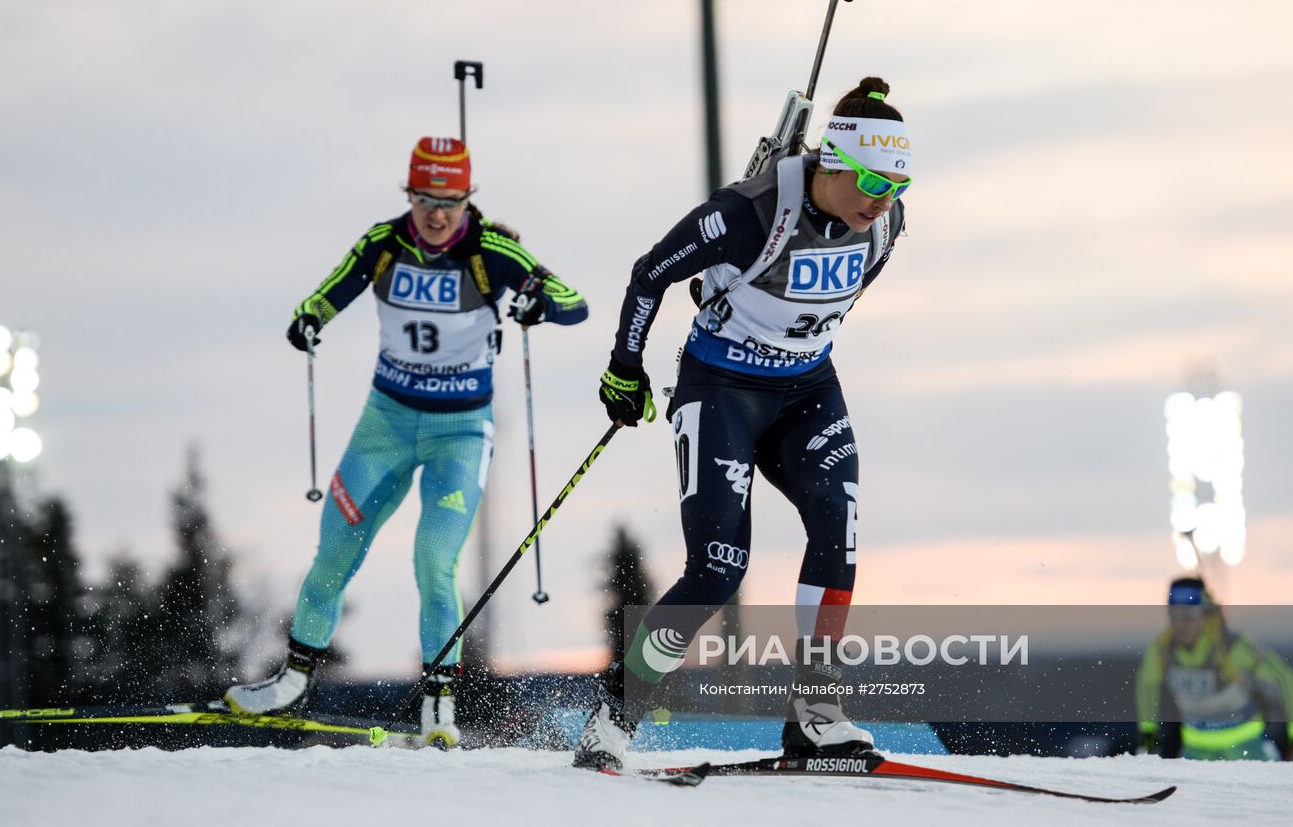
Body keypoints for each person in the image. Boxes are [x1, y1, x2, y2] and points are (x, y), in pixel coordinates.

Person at [573, 77, 911, 769]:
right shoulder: (749, 211)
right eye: (873, 180)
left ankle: (816, 715)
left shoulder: (886, 223)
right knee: (718, 569)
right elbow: (649, 274)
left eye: (899, 184)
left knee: (837, 529)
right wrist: (624, 369)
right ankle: (617, 713)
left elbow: (837, 294)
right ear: (832, 162)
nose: (882, 199)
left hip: (807, 388)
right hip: (723, 389)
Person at [226, 137, 588, 748]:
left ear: (467, 200)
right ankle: (290, 681)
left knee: (433, 562)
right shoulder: (383, 244)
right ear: (409, 195)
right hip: (385, 423)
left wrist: (535, 301)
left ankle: (439, 706)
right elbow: (329, 291)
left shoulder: (491, 251)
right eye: (425, 199)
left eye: (449, 201)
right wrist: (310, 317)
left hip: (461, 431)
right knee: (332, 556)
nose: (437, 215)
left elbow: (574, 303)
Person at [1135, 576, 1293, 762]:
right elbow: (1146, 687)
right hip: (1195, 753)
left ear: (1205, 614)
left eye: (1188, 616)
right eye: (1175, 615)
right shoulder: (1161, 652)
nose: (1181, 624)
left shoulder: (1233, 649)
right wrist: (1148, 737)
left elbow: (1285, 677)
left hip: (1247, 751)